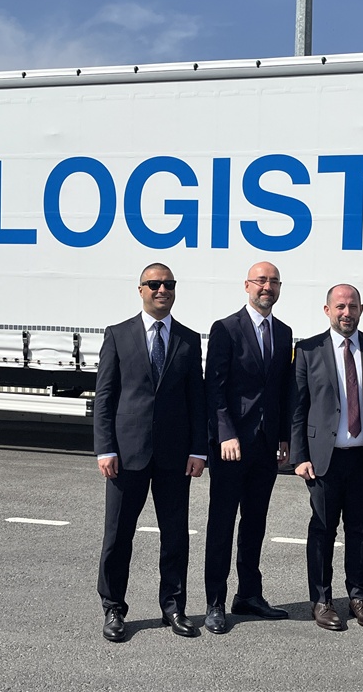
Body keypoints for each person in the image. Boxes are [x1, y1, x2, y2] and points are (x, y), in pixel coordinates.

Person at [94, 263, 208, 643]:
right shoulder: (118, 334)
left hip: (175, 456)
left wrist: (199, 449)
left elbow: (196, 399)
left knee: (175, 536)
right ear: (140, 289)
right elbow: (105, 397)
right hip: (127, 455)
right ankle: (113, 608)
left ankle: (173, 607)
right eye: (154, 284)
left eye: (168, 284)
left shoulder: (188, 339)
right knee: (117, 535)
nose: (162, 290)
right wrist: (105, 449)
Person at [290, 284, 363, 631]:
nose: (346, 313)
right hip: (324, 459)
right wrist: (299, 456)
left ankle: (360, 598)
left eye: (352, 306)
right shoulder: (308, 350)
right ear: (327, 310)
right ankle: (321, 600)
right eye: (340, 307)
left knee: (361, 531)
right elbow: (298, 406)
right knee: (322, 529)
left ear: (361, 309)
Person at [202, 261, 294, 634]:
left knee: (255, 523)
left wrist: (284, 436)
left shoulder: (284, 332)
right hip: (231, 446)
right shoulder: (225, 329)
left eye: (273, 281)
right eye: (261, 280)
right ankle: (215, 602)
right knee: (222, 524)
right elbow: (215, 387)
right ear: (247, 285)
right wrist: (225, 433)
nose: (267, 287)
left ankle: (249, 595)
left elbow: (283, 390)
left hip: (266, 446)